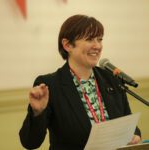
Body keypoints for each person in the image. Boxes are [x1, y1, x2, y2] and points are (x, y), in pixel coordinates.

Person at [19, 14, 141, 150]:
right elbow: (30, 142)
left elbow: (130, 126)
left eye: (99, 39)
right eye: (89, 39)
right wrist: (37, 112)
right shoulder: (50, 84)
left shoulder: (111, 79)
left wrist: (134, 135)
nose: (97, 46)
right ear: (67, 45)